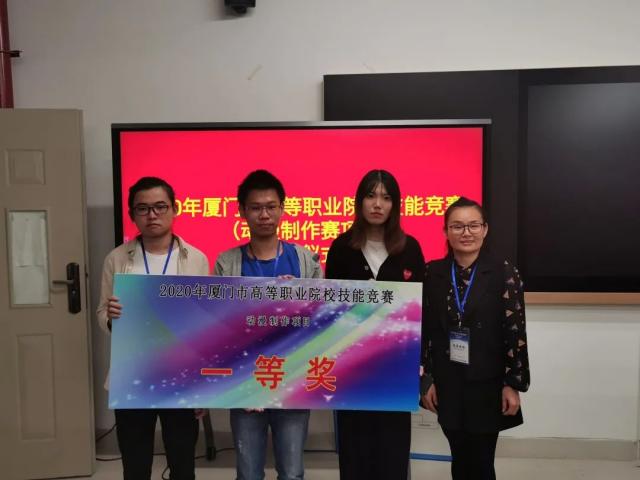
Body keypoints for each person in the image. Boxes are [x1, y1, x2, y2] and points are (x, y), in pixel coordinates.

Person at [97, 176, 210, 480]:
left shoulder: (196, 258)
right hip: (133, 374)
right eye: (143, 208)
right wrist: (111, 317)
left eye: (160, 206)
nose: (152, 215)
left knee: (183, 464)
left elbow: (205, 326)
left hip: (181, 374)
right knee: (135, 465)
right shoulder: (117, 258)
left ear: (175, 209)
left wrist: (202, 386)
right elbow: (102, 312)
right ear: (132, 214)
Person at [214, 169, 322, 480]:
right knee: (248, 473)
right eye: (256, 207)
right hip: (247, 380)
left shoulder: (305, 260)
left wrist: (298, 299)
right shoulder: (227, 263)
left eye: (271, 207)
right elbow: (219, 327)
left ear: (282, 209)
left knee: (292, 472)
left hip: (293, 376)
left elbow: (319, 320)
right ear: (242, 211)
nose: (264, 215)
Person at [325, 169, 425, 480]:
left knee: (392, 450)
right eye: (371, 196)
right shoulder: (342, 248)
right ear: (360, 202)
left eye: (386, 197)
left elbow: (422, 310)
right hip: (353, 366)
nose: (378, 204)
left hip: (396, 366)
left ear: (395, 204)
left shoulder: (410, 249)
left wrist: (421, 360)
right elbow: (330, 311)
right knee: (355, 450)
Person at [421, 196, 530, 480]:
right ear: (446, 231)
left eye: (473, 225)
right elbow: (427, 329)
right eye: (457, 226)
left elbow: (515, 331)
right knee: (459, 457)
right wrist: (427, 378)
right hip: (448, 381)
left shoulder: (503, 272)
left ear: (485, 229)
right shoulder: (433, 273)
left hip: (488, 382)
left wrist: (512, 383)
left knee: (481, 460)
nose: (466, 232)